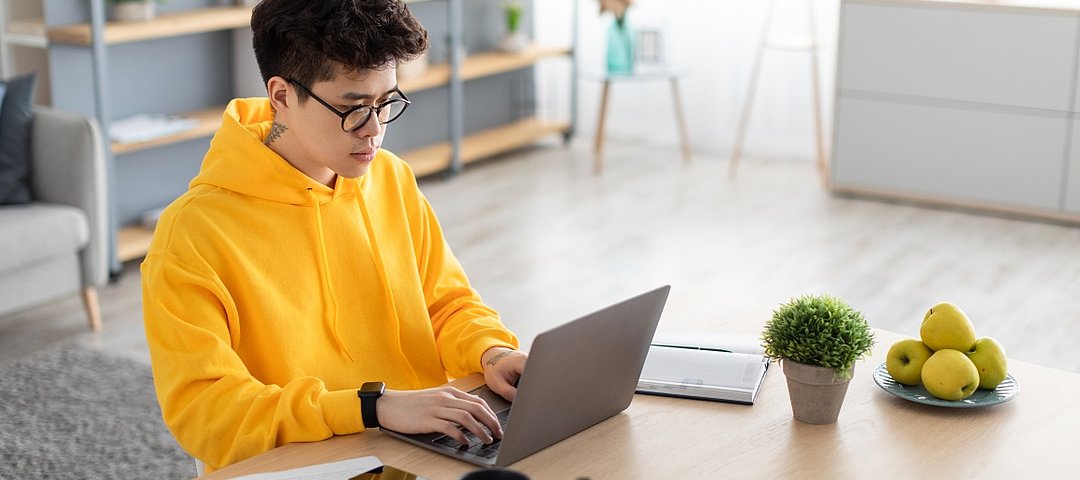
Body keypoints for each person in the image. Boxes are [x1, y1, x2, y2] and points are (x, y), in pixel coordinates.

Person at [141, 0, 527, 471]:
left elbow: (446, 304)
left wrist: (491, 351)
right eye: (353, 108)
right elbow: (207, 414)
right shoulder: (193, 234)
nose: (375, 130)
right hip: (307, 465)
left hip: (426, 454)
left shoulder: (390, 178)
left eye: (387, 102)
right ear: (281, 95)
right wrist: (372, 408)